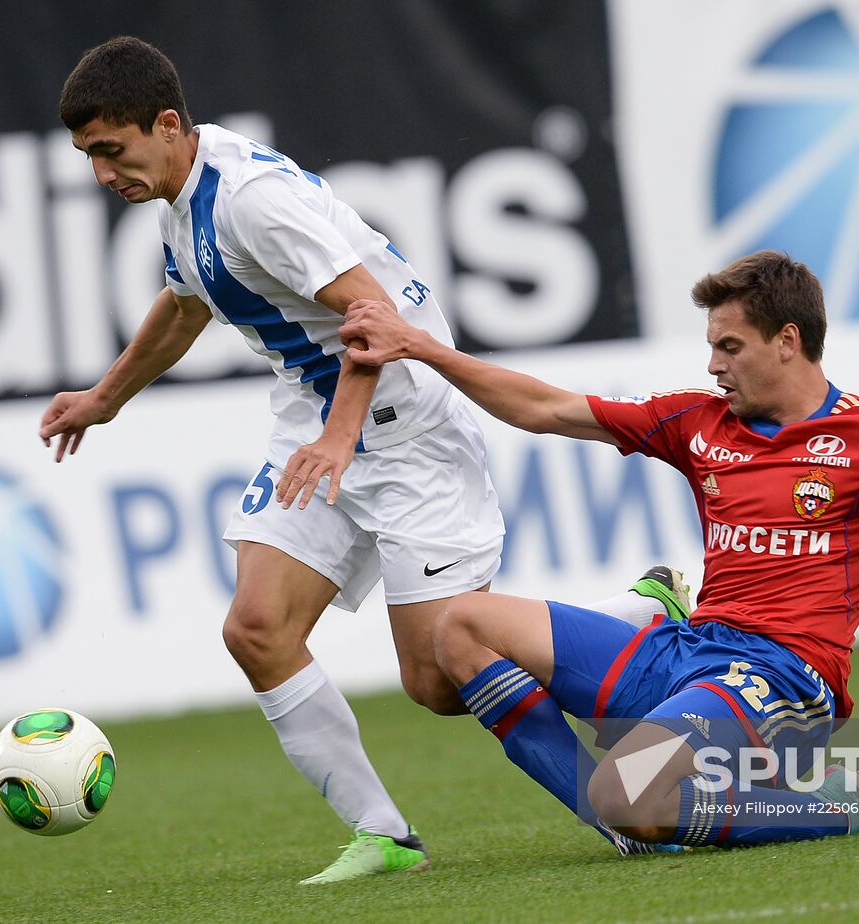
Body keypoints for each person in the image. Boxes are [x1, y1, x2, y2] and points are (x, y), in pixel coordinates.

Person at [38, 36, 684, 882]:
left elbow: (370, 313)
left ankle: (634, 617)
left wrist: (342, 437)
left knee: (440, 679)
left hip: (404, 425)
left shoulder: (251, 201)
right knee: (257, 629)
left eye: (110, 152)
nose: (100, 175)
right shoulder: (184, 193)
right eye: (88, 157)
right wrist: (105, 398)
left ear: (166, 125)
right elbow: (184, 305)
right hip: (319, 423)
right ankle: (383, 834)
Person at [336, 249, 859, 850]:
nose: (713, 365)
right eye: (711, 346)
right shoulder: (697, 421)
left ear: (789, 340)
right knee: (461, 628)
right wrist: (421, 346)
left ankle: (825, 807)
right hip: (687, 653)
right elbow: (548, 409)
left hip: (783, 678)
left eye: (729, 347)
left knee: (633, 786)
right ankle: (633, 829)